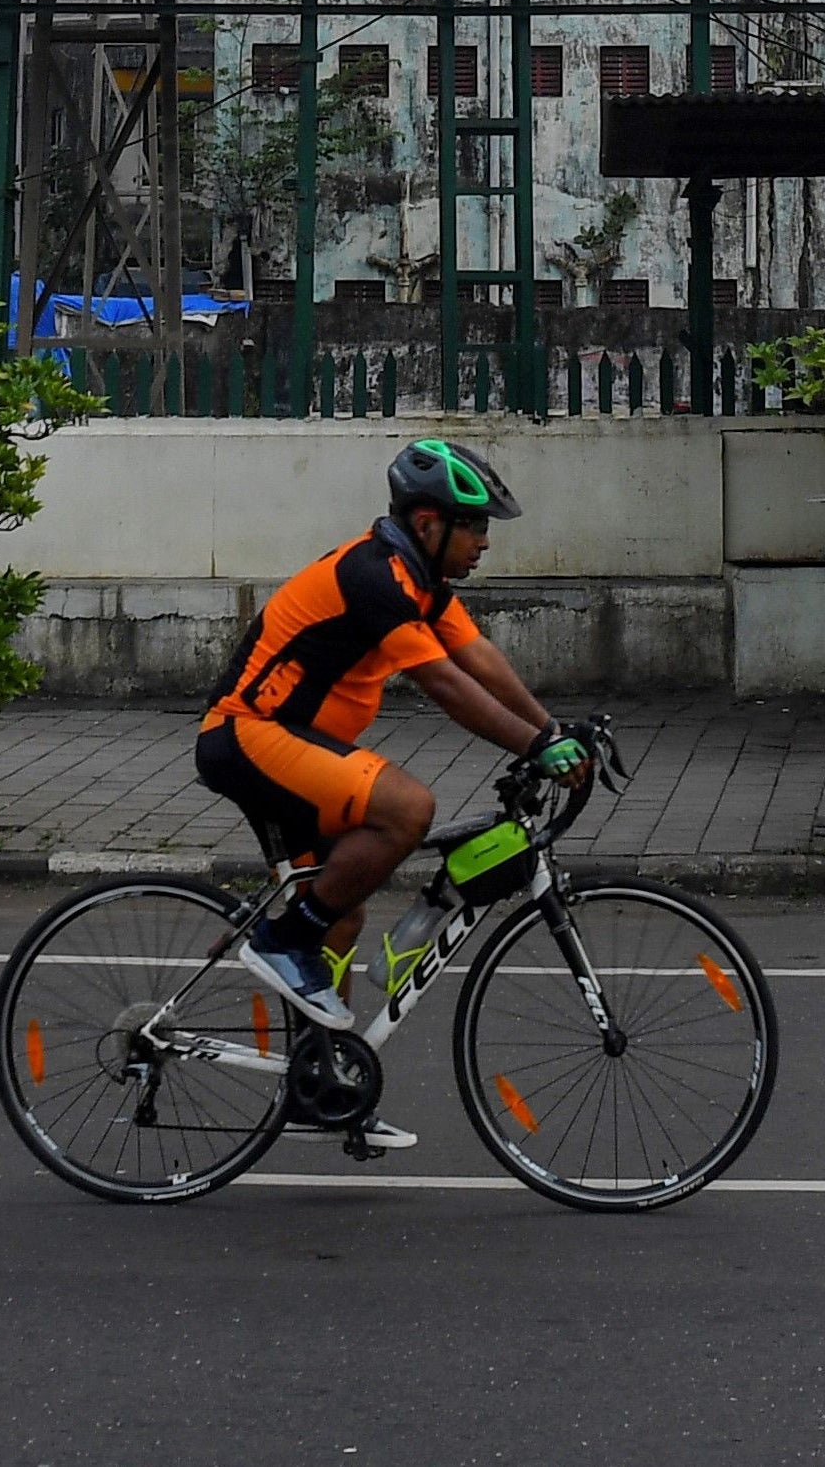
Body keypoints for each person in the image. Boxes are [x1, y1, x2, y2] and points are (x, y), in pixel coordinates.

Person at [199, 436, 580, 1137]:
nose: (485, 543)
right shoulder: (373, 577)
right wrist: (534, 745)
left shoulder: (422, 584)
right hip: (248, 735)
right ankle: (283, 944)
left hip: (290, 744)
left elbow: (479, 661)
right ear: (428, 524)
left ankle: (320, 1083)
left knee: (341, 910)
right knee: (408, 809)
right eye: (476, 526)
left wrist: (554, 730)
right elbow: (443, 684)